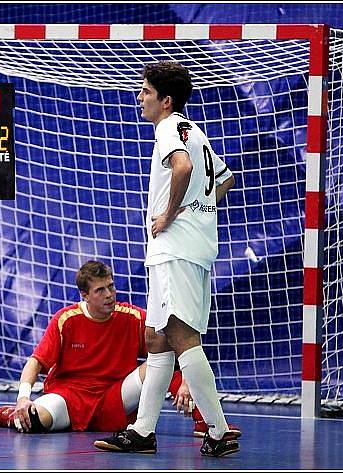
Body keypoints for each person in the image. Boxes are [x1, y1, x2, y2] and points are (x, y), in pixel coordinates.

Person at [93, 61, 238, 457]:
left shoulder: (169, 128)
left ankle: (219, 430)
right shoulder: (195, 131)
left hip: (175, 246)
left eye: (146, 91)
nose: (140, 97)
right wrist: (198, 209)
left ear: (166, 100)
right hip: (186, 246)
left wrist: (172, 215)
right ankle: (142, 431)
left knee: (179, 334)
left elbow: (183, 167)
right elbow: (225, 179)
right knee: (156, 337)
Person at [0, 260, 241, 437]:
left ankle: (206, 423)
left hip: (114, 399)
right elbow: (35, 362)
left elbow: (176, 343)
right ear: (85, 296)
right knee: (33, 422)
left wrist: (186, 380)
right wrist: (22, 398)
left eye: (111, 286)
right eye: (100, 290)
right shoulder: (66, 319)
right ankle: (10, 415)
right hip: (70, 397)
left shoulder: (132, 317)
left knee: (160, 367)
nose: (110, 294)